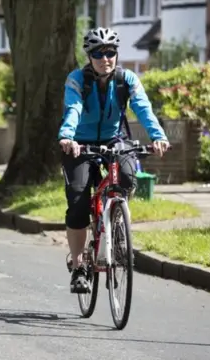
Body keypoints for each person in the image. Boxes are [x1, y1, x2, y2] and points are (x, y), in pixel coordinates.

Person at [58, 27, 171, 293]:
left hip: (114, 139)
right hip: (79, 143)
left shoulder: (127, 79)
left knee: (128, 177)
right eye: (99, 53)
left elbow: (143, 107)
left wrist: (158, 136)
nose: (105, 58)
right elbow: (73, 109)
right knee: (77, 201)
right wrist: (67, 137)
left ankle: (117, 224)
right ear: (90, 56)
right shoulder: (76, 80)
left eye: (110, 52)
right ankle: (78, 267)